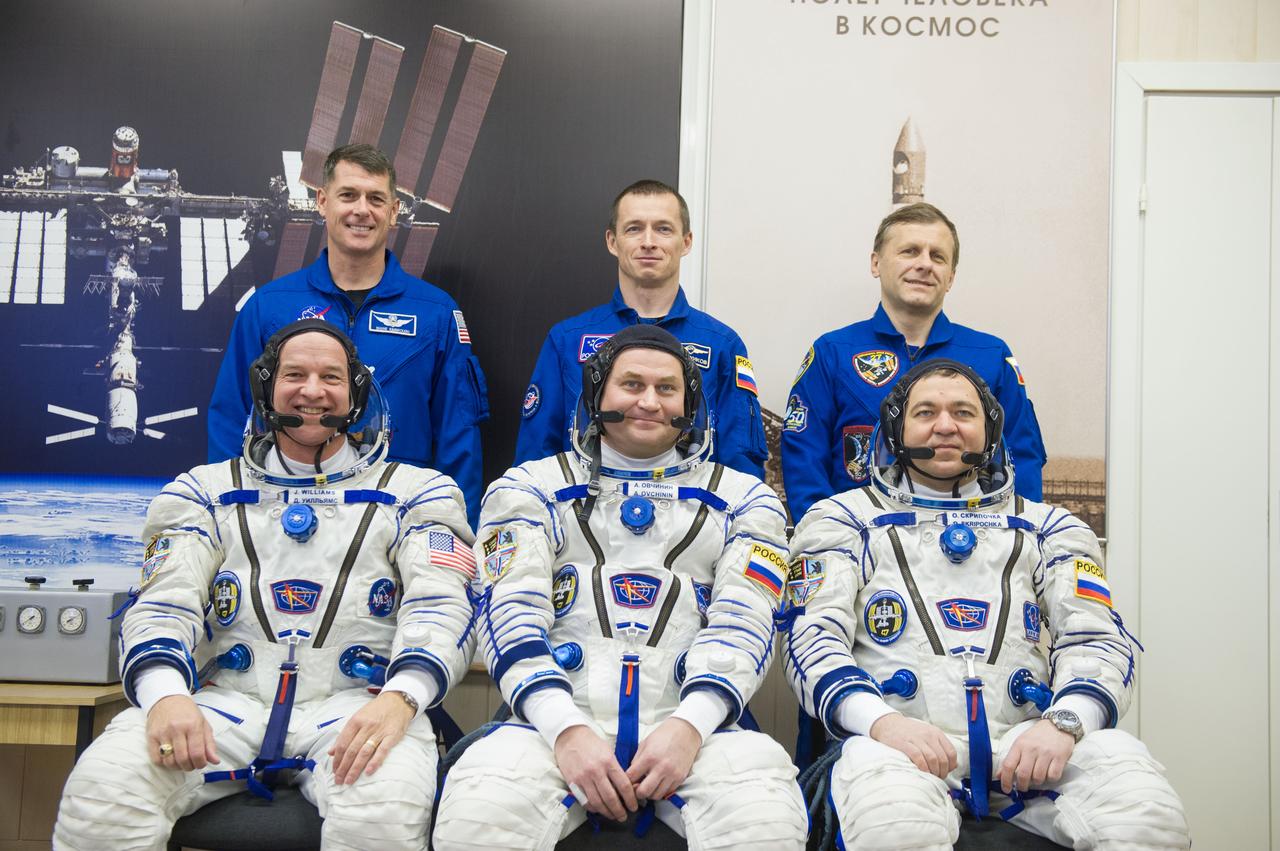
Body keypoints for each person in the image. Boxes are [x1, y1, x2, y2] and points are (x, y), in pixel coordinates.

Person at [56, 321, 476, 850]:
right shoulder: (204, 493)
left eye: (331, 377)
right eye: (295, 375)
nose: (313, 390)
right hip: (223, 703)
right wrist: (165, 696)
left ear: (356, 393)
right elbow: (163, 604)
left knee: (382, 813)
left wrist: (403, 697)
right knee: (105, 791)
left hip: (361, 706)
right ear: (265, 388)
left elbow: (442, 607)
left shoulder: (417, 494)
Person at [783, 359, 1190, 849]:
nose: (945, 425)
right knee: (894, 827)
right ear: (895, 429)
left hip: (1028, 742)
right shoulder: (843, 521)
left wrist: (1065, 722)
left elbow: (1096, 639)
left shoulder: (1049, 528)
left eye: (963, 413)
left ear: (990, 429)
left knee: (1146, 815)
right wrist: (881, 722)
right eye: (925, 412)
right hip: (899, 743)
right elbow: (812, 640)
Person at [434, 325, 807, 850]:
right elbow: (511, 615)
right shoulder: (530, 488)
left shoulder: (746, 500)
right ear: (596, 395)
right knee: (478, 819)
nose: (649, 402)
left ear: (689, 405)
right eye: (631, 384)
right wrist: (565, 729)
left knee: (765, 823)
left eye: (667, 389)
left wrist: (690, 726)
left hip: (697, 726)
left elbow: (744, 624)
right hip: (552, 721)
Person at [207, 143, 488, 527]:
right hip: (282, 521)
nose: (362, 210)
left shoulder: (436, 313)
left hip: (398, 523)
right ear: (323, 202)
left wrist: (453, 534)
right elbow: (230, 421)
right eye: (348, 195)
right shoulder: (269, 307)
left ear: (394, 211)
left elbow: (459, 439)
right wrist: (229, 524)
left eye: (376, 199)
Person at [781, 202, 1046, 520]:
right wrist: (827, 536)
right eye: (910, 251)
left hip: (972, 540)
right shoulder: (833, 353)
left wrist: (1019, 536)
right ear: (876, 263)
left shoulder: (991, 356)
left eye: (938, 256)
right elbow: (804, 460)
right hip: (858, 540)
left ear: (950, 276)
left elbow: (1022, 460)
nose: (924, 264)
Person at [513, 179, 767, 480]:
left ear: (686, 242)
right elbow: (536, 459)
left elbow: (741, 469)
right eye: (634, 228)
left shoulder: (722, 344)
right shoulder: (567, 339)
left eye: (663, 229)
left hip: (692, 507)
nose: (648, 242)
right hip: (583, 504)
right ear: (612, 241)